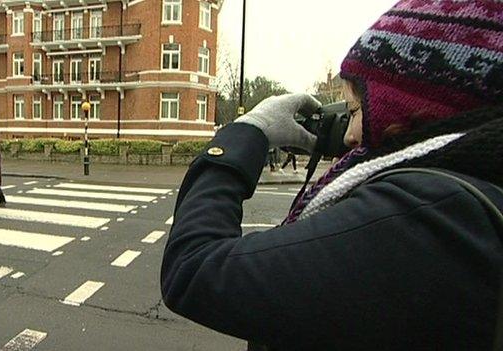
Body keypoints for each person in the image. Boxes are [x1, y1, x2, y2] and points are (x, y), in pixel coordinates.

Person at [160, 1, 503, 350]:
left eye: (357, 110)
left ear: (409, 107)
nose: (351, 136)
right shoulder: (474, 192)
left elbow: (193, 268)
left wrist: (246, 133)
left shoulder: (426, 214)